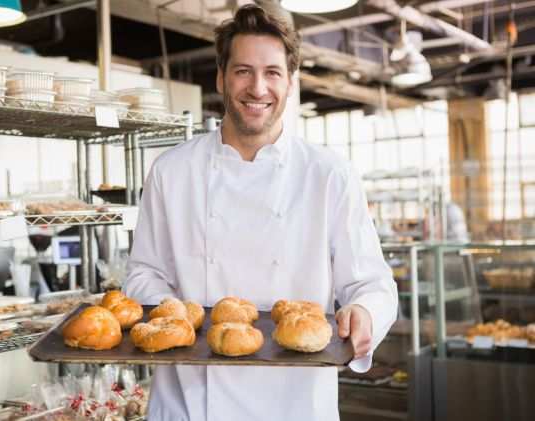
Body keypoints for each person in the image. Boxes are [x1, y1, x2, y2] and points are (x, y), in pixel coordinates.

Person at [123, 5, 398, 420]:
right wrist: (176, 317)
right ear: (220, 77)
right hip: (191, 400)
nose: (257, 88)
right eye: (242, 71)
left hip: (296, 403)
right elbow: (143, 272)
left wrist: (365, 314)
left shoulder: (328, 174)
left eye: (272, 73)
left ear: (290, 84)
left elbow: (371, 282)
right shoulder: (172, 170)